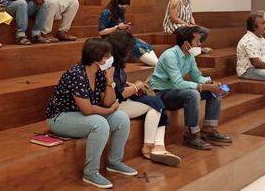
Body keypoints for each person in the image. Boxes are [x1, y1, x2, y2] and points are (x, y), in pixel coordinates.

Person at [45, 38, 136, 189]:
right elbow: (88, 109)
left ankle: (114, 162)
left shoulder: (99, 73)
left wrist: (109, 81)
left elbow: (108, 101)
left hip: (81, 115)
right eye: (107, 56)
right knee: (99, 124)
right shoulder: (76, 74)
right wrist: (109, 110)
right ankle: (90, 172)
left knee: (121, 118)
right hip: (60, 117)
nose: (110, 59)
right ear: (96, 57)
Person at [105, 31, 180, 166]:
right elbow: (118, 93)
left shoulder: (115, 62)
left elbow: (118, 85)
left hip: (120, 100)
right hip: (115, 105)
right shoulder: (112, 65)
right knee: (157, 104)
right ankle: (152, 145)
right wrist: (136, 86)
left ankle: (157, 145)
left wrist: (134, 86)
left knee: (156, 103)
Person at [150, 26, 231, 150]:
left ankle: (209, 130)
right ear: (186, 43)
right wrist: (205, 87)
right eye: (197, 41)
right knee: (193, 94)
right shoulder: (169, 56)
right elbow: (178, 83)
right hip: (162, 93)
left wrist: (211, 82)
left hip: (176, 91)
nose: (200, 44)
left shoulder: (190, 56)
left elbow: (197, 76)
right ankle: (191, 135)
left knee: (214, 91)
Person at [99, 0, 158, 66]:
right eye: (122, 6)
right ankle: (158, 65)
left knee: (143, 44)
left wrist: (125, 27)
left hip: (121, 37)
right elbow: (101, 32)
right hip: (111, 38)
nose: (123, 9)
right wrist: (117, 27)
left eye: (125, 7)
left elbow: (121, 26)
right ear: (117, 3)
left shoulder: (120, 13)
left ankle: (157, 63)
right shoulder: (106, 13)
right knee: (134, 46)